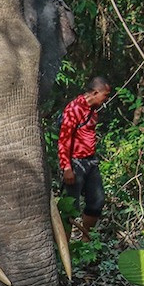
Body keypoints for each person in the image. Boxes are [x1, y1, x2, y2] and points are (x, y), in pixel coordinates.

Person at [57, 76, 111, 236]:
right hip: (75, 163)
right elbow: (64, 139)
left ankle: (86, 241)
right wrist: (67, 167)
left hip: (90, 161)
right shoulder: (75, 109)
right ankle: (64, 247)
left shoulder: (93, 110)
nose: (105, 99)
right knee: (70, 208)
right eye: (105, 96)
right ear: (95, 92)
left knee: (97, 201)